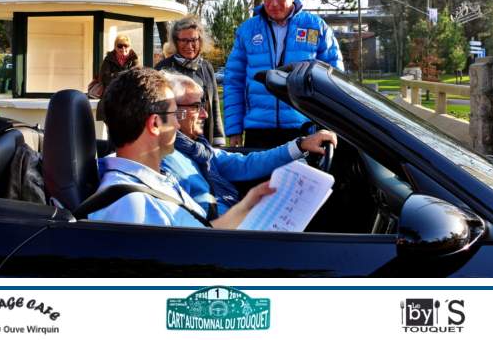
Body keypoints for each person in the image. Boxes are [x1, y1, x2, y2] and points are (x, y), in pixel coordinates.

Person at [88, 67, 274, 228]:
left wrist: (247, 205)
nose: (178, 125)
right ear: (155, 124)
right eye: (174, 115)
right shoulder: (131, 206)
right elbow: (195, 250)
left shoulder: (156, 179)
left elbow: (201, 233)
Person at [160, 72, 337, 219]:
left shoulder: (198, 150)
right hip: (225, 235)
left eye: (202, 106)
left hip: (234, 224)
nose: (205, 114)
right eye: (196, 107)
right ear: (174, 111)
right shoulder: (165, 160)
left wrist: (300, 145)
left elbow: (246, 164)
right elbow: (191, 222)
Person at [223, 0, 344, 149]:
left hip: (303, 127)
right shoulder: (247, 30)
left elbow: (334, 80)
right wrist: (234, 129)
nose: (273, 3)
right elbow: (234, 81)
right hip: (258, 129)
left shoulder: (317, 27)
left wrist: (330, 127)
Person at [154, 15, 225, 146]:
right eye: (184, 41)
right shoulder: (162, 68)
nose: (189, 45)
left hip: (203, 136)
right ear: (175, 41)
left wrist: (218, 139)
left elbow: (214, 105)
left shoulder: (206, 67)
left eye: (194, 40)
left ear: (200, 40)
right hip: (174, 139)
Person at [95, 34, 140, 122]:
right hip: (111, 99)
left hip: (129, 101)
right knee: (111, 128)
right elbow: (104, 79)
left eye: (126, 45)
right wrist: (125, 76)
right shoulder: (108, 59)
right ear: (115, 48)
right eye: (120, 46)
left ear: (129, 47)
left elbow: (135, 78)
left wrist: (114, 75)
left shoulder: (134, 60)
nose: (123, 48)